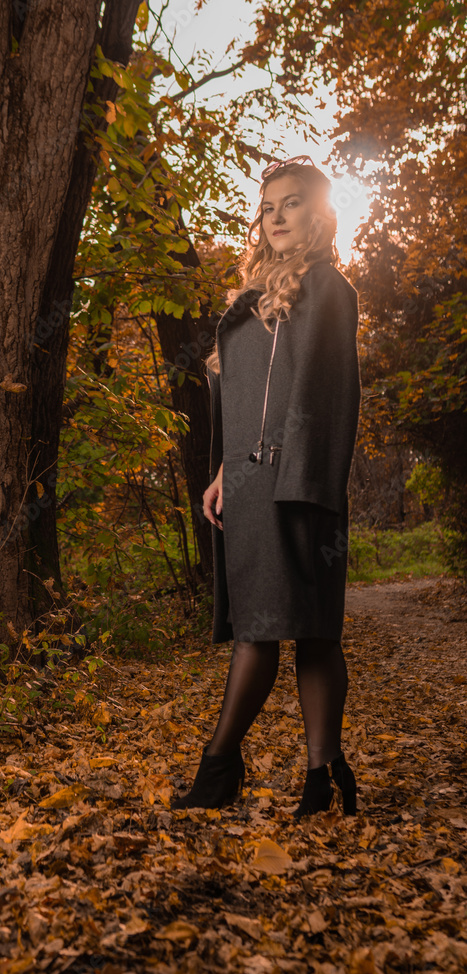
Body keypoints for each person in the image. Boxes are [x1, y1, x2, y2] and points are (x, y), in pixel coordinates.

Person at [171, 155, 360, 818]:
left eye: (292, 203)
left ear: (319, 213)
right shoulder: (252, 297)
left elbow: (323, 393)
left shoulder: (327, 288)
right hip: (251, 483)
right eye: (269, 205)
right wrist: (224, 468)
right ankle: (319, 772)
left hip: (296, 483)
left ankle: (247, 769)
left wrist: (302, 483)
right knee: (269, 627)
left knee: (300, 632)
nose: (276, 215)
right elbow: (247, 397)